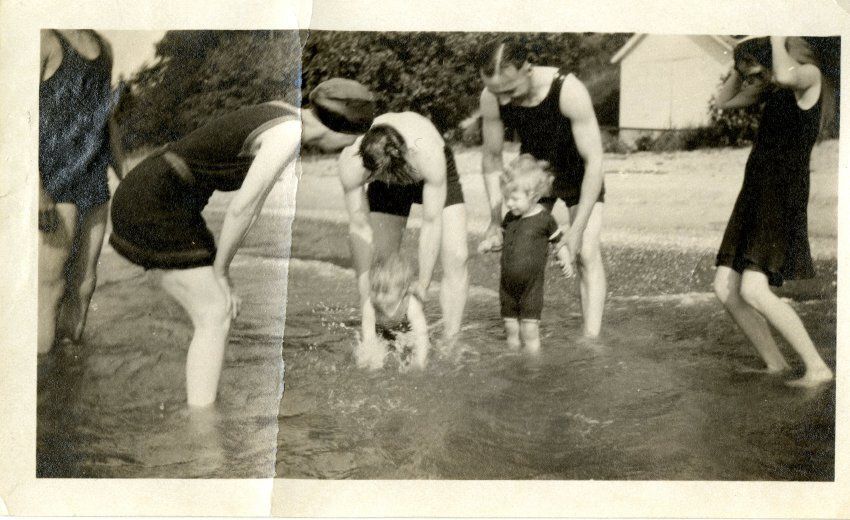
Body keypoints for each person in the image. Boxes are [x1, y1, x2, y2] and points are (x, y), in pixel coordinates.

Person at [108, 78, 375, 406]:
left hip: (169, 197)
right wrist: (221, 272)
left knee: (218, 310)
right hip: (153, 200)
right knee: (215, 311)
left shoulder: (284, 113)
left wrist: (223, 273)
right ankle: (202, 424)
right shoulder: (288, 135)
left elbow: (247, 206)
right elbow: (243, 209)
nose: (353, 147)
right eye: (356, 140)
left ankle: (203, 402)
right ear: (344, 132)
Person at [712, 36, 834, 387]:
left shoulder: (809, 76)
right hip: (754, 194)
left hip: (780, 195)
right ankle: (776, 364)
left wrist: (776, 36)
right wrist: (739, 63)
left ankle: (818, 367)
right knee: (725, 288)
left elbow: (783, 74)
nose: (754, 78)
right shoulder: (774, 88)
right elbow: (723, 101)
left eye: (755, 69)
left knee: (753, 289)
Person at [473, 36, 607, 338]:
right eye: (496, 92)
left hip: (580, 173)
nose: (503, 101)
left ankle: (591, 340)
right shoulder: (491, 98)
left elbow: (595, 161)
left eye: (510, 91)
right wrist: (494, 220)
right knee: (522, 247)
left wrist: (576, 230)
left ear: (528, 68)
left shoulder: (568, 90)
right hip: (534, 175)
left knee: (586, 252)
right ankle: (526, 330)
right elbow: (492, 159)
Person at [337, 111, 469, 351]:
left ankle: (451, 339)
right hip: (385, 170)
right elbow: (359, 228)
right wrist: (365, 295)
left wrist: (423, 285)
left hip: (427, 172)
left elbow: (431, 222)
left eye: (391, 176)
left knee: (457, 255)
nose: (391, 181)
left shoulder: (427, 154)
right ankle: (389, 337)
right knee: (383, 267)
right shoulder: (352, 163)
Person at [39, 29, 122, 354]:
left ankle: (71, 367)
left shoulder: (105, 47)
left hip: (94, 179)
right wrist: (37, 189)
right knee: (51, 286)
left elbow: (108, 120)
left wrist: (124, 176)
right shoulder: (46, 39)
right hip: (54, 181)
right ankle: (42, 370)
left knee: (85, 283)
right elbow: (19, 116)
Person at [481, 154, 573, 353]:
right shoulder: (509, 217)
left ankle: (533, 364)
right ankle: (513, 359)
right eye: (506, 198)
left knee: (530, 330)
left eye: (514, 199)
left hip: (531, 288)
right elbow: (502, 241)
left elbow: (559, 242)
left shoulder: (544, 219)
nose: (509, 203)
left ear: (533, 196)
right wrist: (490, 244)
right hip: (507, 286)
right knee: (511, 328)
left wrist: (566, 260)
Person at [356, 253, 430, 370]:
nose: (379, 297)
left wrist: (420, 360)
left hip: (407, 333)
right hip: (383, 333)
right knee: (367, 358)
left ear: (403, 290)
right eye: (374, 290)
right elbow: (369, 336)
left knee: (410, 346)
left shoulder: (410, 304)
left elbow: (421, 334)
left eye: (385, 292)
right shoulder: (370, 305)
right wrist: (371, 358)